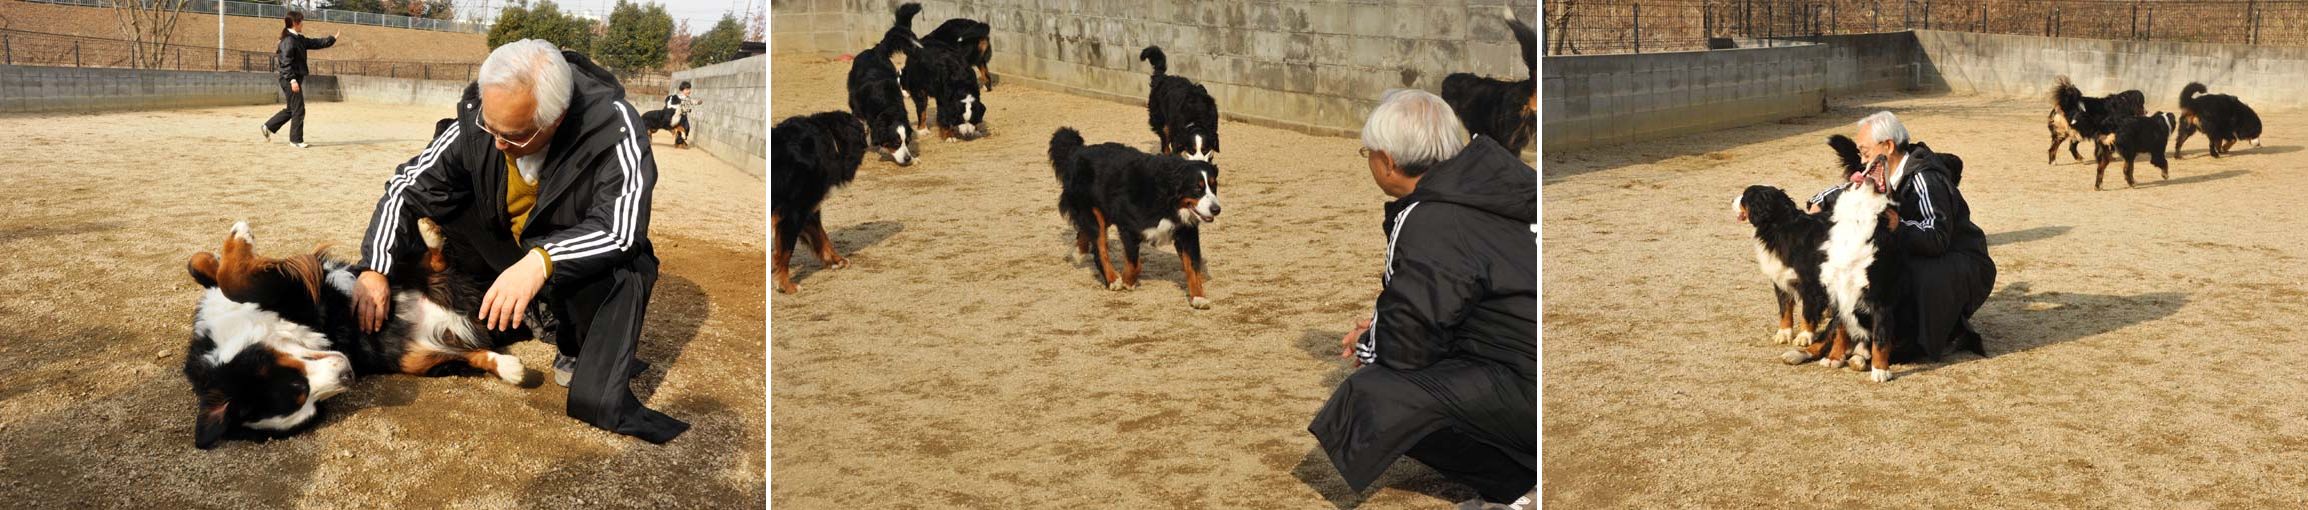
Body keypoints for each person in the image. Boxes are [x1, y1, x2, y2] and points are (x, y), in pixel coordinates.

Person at [350, 39, 689, 443]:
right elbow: (406, 187)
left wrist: (541, 262)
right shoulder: (479, 122)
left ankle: (572, 337)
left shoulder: (614, 129)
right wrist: (374, 268)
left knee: (622, 265)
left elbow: (621, 228)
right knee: (446, 202)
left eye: (512, 135)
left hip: (564, 251)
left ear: (556, 119)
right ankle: (514, 311)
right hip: (503, 245)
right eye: (490, 128)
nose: (496, 143)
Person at [1309, 89, 1536, 509]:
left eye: (1368, 153)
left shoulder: (1430, 216)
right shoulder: (1503, 183)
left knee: (1373, 396)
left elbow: (1407, 347)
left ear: (1389, 162)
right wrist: (1382, 327)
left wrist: (1371, 341)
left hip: (1528, 386)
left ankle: (1519, 489)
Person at [1824, 111, 1996, 363]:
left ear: (1888, 146)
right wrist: (1819, 201)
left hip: (1961, 262)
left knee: (1898, 270)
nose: (1861, 159)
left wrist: (1899, 225)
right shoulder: (1880, 171)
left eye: (1864, 150)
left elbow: (1936, 237)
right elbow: (1848, 189)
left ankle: (1924, 339)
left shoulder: (1925, 177)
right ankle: (1861, 332)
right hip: (1930, 251)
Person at [261, 11, 336, 148]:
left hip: (293, 78)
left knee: (292, 109)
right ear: (295, 23)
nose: (303, 23)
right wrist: (292, 80)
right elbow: (285, 62)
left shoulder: (298, 39)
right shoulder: (288, 40)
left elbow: (315, 43)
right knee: (299, 109)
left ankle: (268, 126)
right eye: (301, 21)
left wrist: (331, 39)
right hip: (289, 79)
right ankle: (296, 140)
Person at [664, 80, 695, 146]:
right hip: (677, 116)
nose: (688, 91)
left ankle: (680, 141)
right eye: (687, 89)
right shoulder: (677, 97)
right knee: (680, 129)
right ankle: (679, 143)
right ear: (682, 90)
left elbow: (690, 104)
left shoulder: (688, 98)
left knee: (687, 128)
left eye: (689, 89)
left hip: (684, 116)